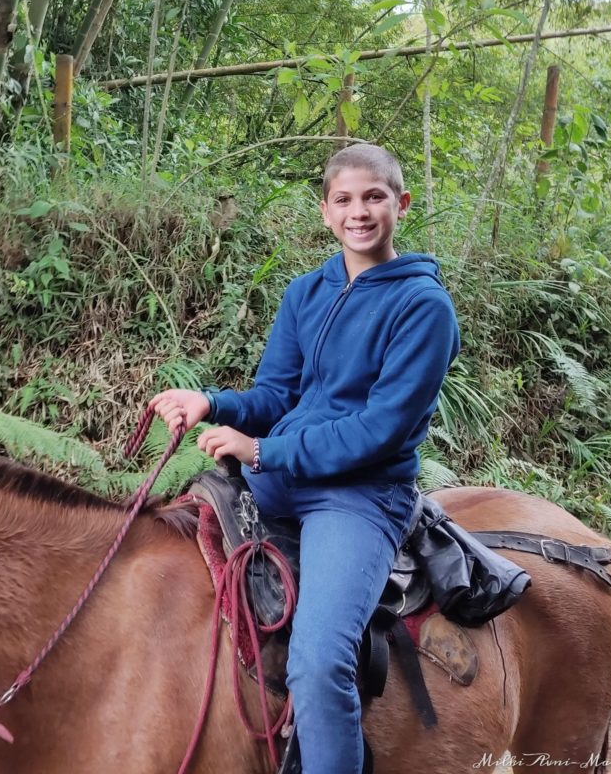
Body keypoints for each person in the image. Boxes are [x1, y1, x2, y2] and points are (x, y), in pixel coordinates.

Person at [151, 144, 460, 774]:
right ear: (324, 211)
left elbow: (380, 428)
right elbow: (275, 395)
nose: (359, 212)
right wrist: (210, 402)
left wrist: (263, 451)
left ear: (400, 204)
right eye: (344, 199)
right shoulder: (306, 292)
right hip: (280, 475)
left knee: (319, 662)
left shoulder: (423, 307)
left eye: (374, 197)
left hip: (359, 494)